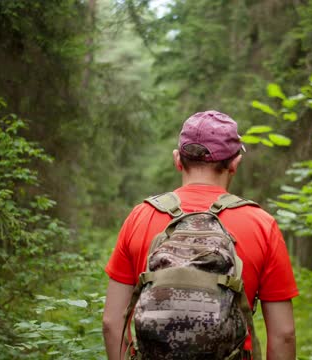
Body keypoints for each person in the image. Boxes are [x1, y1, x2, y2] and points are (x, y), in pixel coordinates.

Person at [102, 110, 298, 360]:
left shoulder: (141, 216)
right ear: (235, 164)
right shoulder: (261, 224)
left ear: (177, 160)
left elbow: (112, 323)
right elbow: (283, 334)